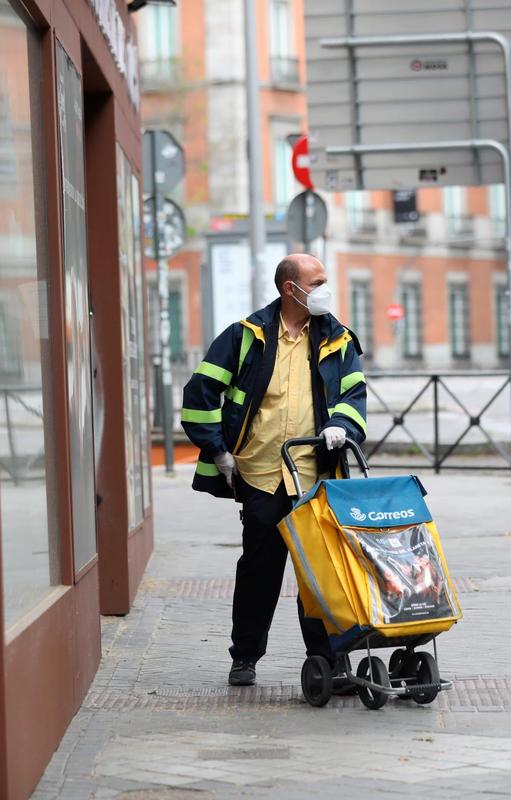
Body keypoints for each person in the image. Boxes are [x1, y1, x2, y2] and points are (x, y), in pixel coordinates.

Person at [181, 253, 367, 687]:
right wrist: (219, 452)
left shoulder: (338, 339)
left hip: (316, 478)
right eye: (316, 282)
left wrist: (340, 425)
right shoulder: (245, 337)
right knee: (259, 572)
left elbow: (354, 396)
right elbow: (199, 392)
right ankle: (244, 657)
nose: (325, 289)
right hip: (261, 474)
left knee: (321, 574)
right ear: (291, 289)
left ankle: (329, 660)